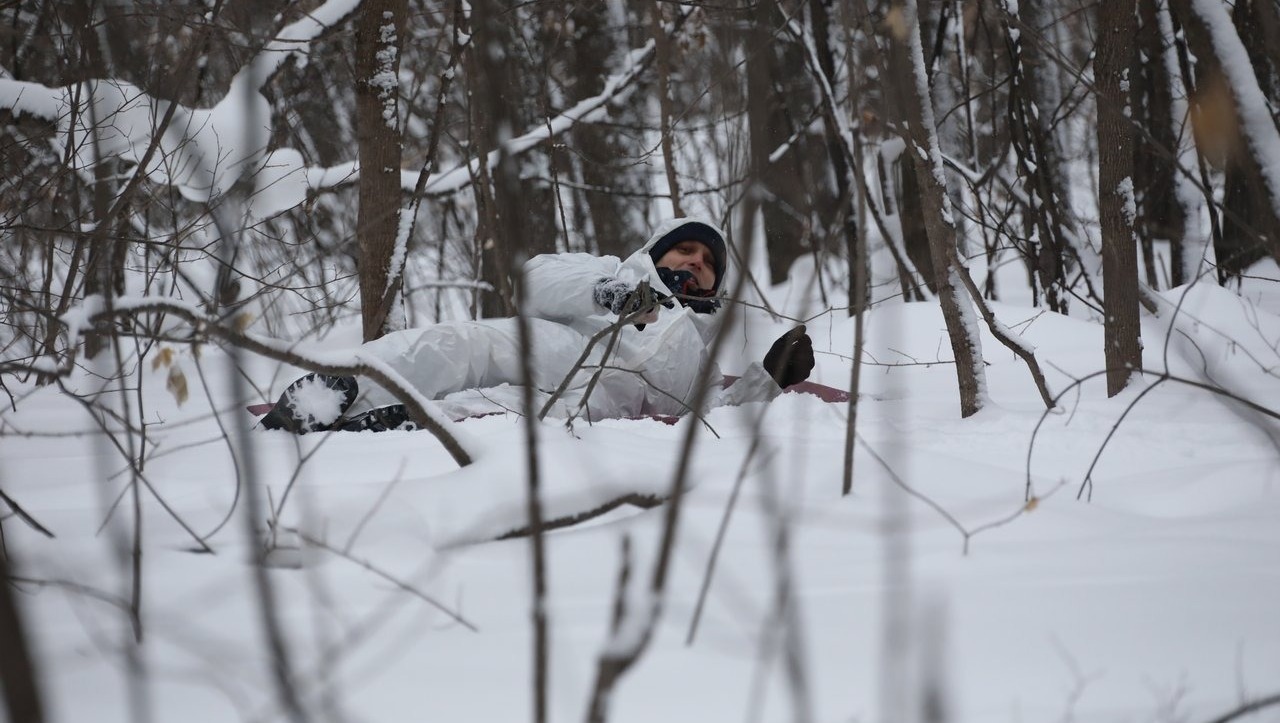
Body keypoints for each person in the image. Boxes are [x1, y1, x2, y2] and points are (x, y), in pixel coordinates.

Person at [260, 216, 815, 433]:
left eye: (707, 262)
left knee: (498, 412)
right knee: (466, 346)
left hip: (598, 406)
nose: (694, 263)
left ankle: (394, 421)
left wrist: (769, 380)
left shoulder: (700, 347)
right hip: (559, 347)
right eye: (685, 252)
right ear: (657, 253)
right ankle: (338, 385)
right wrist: (609, 292)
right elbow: (533, 279)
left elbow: (709, 421)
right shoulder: (613, 272)